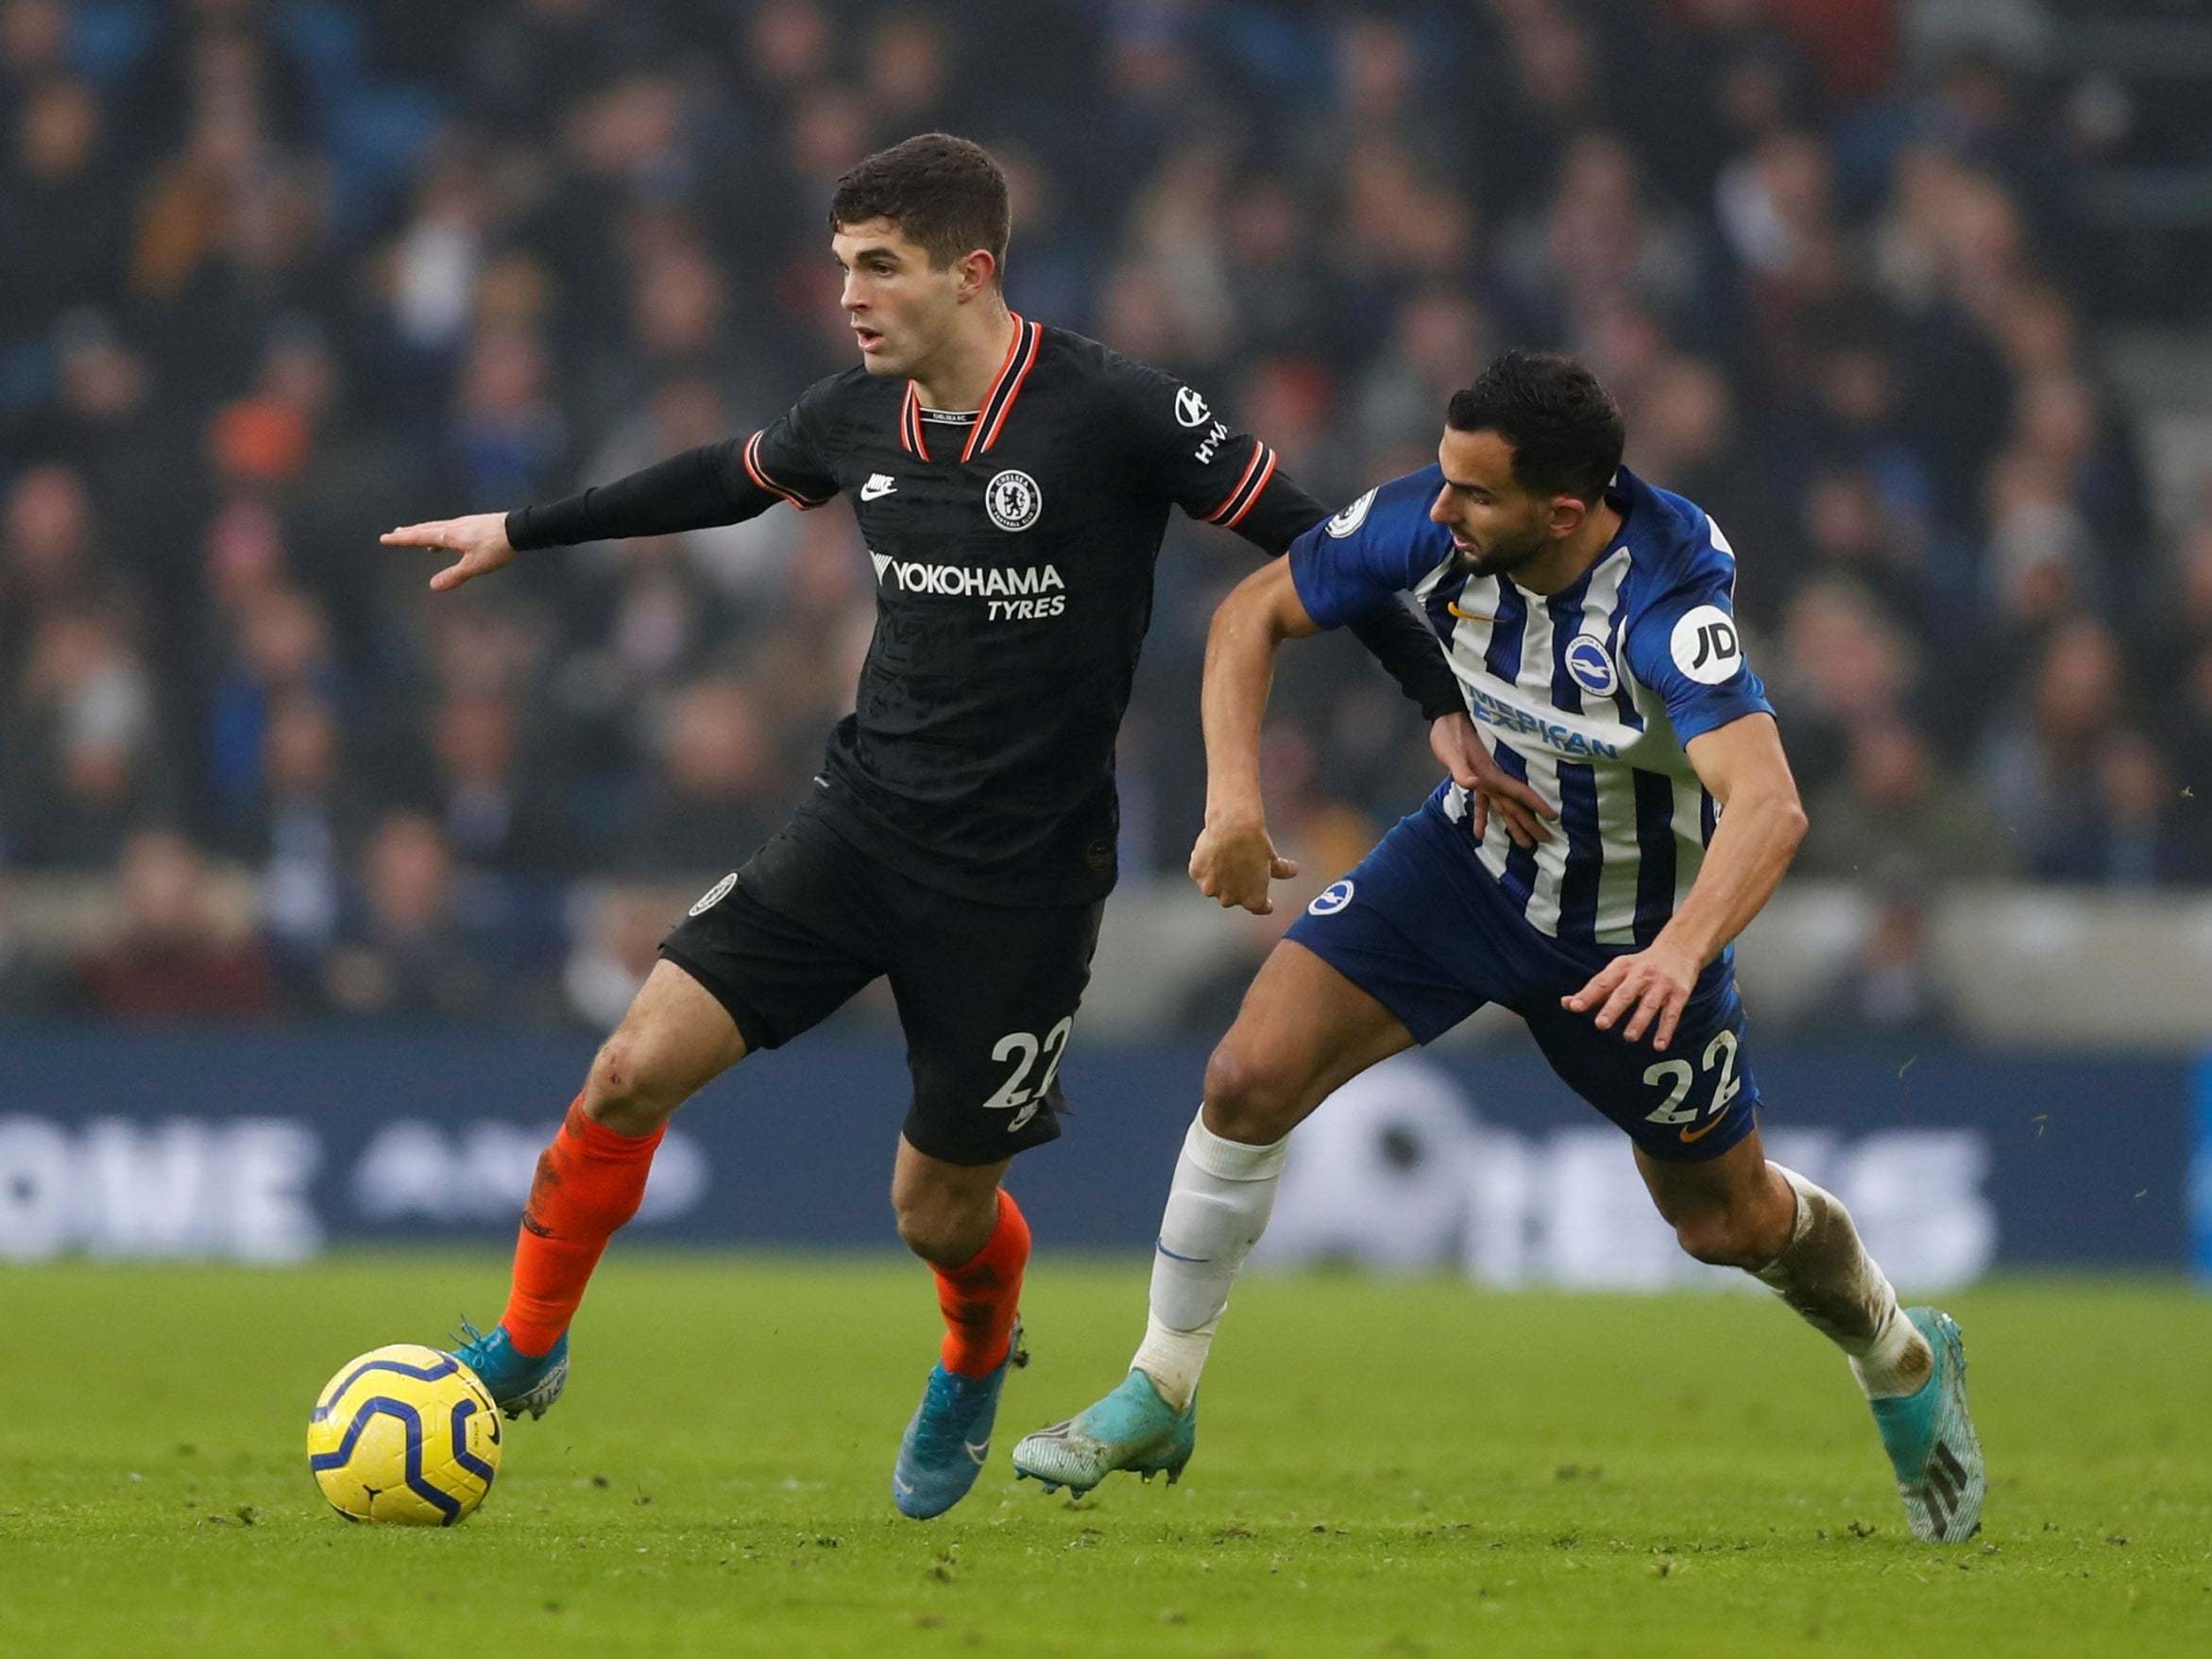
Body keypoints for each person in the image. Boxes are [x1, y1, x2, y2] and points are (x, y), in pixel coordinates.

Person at [380, 134, 1490, 1521]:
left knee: (935, 1213)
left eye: (878, 267)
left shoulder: (1119, 410)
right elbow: (722, 477)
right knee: (625, 1071)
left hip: (1023, 884)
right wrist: (522, 529)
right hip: (857, 824)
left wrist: (1437, 696)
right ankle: (526, 1349)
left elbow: (1319, 545)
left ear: (970, 274)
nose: (850, 294)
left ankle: (973, 1352)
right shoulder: (854, 416)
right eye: (843, 264)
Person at [1012, 351, 1985, 1546]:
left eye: (1474, 493)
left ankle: (1898, 1354)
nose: (1440, 508)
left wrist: (1677, 953)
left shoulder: (1667, 602)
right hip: (1465, 867)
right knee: (1244, 1076)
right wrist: (1232, 801)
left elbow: (1770, 805)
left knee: (1723, 1220)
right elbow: (1249, 612)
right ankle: (1159, 1387)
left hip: (1629, 943)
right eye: (1445, 477)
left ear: (1562, 512)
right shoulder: (1431, 523)